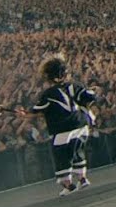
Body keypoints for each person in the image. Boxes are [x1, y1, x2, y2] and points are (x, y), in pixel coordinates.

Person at [17, 53, 98, 197]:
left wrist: (25, 114)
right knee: (78, 152)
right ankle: (82, 178)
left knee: (61, 157)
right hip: (81, 126)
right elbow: (90, 96)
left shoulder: (48, 94)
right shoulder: (75, 86)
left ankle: (69, 185)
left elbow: (36, 111)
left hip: (62, 131)